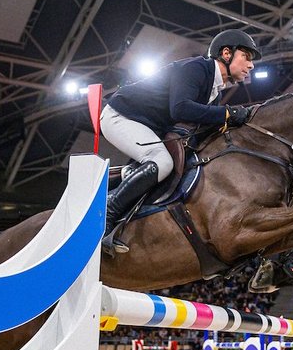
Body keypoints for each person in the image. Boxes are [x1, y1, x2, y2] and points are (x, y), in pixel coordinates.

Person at [99, 29, 261, 252]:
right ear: (226, 53)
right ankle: (107, 214)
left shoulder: (215, 92)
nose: (251, 65)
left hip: (146, 125)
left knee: (169, 163)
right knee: (162, 162)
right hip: (121, 115)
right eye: (246, 57)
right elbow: (181, 109)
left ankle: (121, 181)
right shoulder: (196, 68)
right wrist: (227, 114)